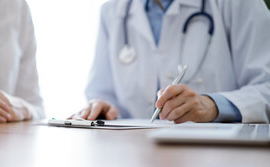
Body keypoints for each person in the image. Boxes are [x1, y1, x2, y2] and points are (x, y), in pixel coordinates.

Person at [72, 0, 270, 123]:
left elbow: (266, 90)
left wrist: (212, 106)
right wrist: (103, 107)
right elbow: (102, 93)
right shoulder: (112, 12)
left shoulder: (238, 3)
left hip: (219, 162)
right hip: (135, 158)